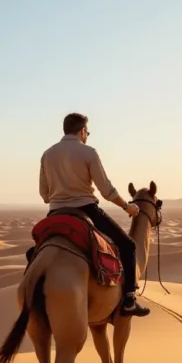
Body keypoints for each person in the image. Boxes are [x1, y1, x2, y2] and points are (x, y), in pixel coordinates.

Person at [38, 112, 150, 317]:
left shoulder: (47, 154)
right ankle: (129, 299)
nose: (87, 135)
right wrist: (128, 207)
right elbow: (106, 191)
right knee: (128, 245)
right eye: (87, 132)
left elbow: (44, 195)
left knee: (38, 248)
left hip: (55, 212)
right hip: (86, 209)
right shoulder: (88, 152)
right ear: (82, 131)